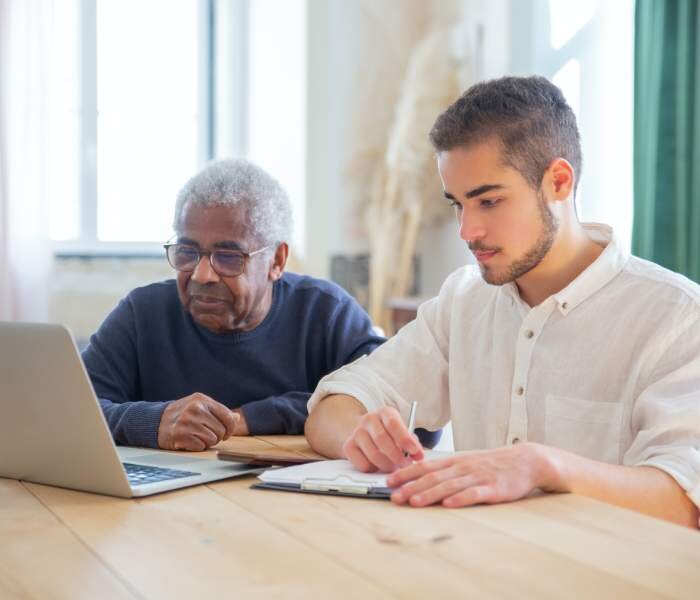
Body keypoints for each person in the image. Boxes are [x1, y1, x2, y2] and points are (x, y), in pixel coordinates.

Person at [305, 76, 700, 528]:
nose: (466, 231)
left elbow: (685, 501)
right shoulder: (464, 299)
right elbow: (332, 407)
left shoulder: (678, 317)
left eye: (488, 201)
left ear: (558, 182)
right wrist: (361, 435)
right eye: (457, 204)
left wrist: (544, 466)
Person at [82, 159, 391, 451]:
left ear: (277, 261)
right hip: (164, 498)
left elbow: (399, 406)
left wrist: (248, 419)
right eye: (187, 252)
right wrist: (153, 422)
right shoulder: (144, 314)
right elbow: (69, 409)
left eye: (229, 257)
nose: (202, 275)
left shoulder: (326, 314)